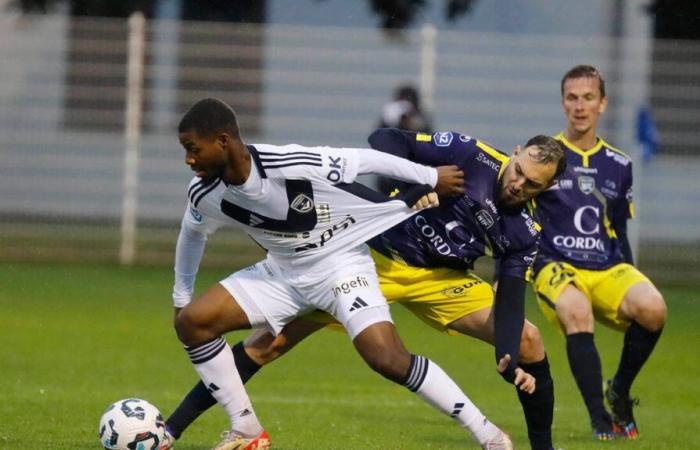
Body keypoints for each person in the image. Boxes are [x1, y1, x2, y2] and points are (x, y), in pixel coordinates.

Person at [162, 127, 568, 450]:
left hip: (442, 280)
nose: (518, 184)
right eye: (519, 171)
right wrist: (416, 185)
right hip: (377, 257)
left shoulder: (525, 230)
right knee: (267, 344)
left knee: (528, 340)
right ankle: (175, 429)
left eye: (532, 184)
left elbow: (511, 297)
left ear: (544, 188)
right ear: (515, 153)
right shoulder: (469, 155)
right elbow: (386, 140)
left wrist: (508, 357)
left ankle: (541, 447)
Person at [530, 65, 667, 440]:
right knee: (577, 310)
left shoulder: (620, 165)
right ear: (563, 104)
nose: (580, 106)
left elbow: (619, 229)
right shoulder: (544, 156)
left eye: (588, 97)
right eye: (572, 98)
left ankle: (619, 391)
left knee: (654, 307)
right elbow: (517, 213)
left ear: (602, 104)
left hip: (606, 265)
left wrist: (631, 277)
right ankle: (598, 417)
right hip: (554, 263)